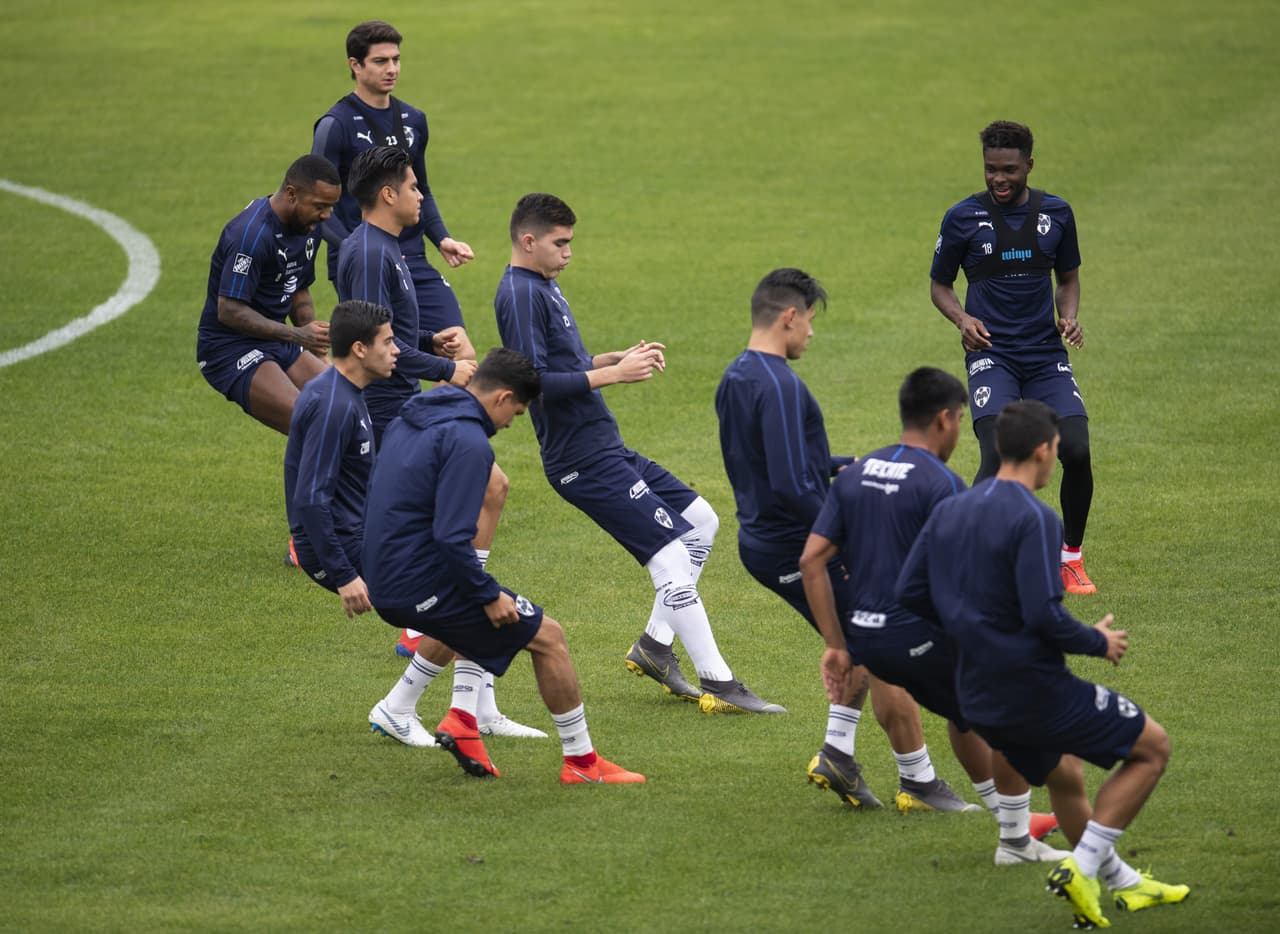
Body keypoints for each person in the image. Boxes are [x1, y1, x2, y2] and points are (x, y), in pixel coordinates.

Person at [897, 400, 1189, 927]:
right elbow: (1044, 617)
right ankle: (1081, 867)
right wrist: (1099, 641)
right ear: (1042, 451)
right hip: (1032, 689)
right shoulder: (1036, 517)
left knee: (1066, 773)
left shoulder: (952, 508)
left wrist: (970, 631)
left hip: (974, 693)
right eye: (1056, 448)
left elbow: (910, 593)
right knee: (1152, 748)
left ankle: (1123, 883)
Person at [494, 192, 781, 714]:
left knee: (701, 523)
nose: (569, 253)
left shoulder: (542, 285)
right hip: (580, 460)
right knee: (670, 555)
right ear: (528, 241)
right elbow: (530, 382)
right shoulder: (519, 293)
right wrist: (615, 376)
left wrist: (611, 358)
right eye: (560, 243)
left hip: (605, 446)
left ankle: (654, 647)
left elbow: (563, 364)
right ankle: (719, 682)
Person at [716, 270, 983, 811]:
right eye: (810, 321)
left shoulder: (736, 376)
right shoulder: (781, 384)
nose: (811, 333)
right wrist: (848, 533)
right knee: (886, 650)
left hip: (761, 536)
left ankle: (838, 752)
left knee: (859, 640)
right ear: (790, 316)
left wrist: (842, 466)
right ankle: (919, 781)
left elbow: (769, 463)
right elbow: (792, 484)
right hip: (794, 542)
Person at [799, 368, 1065, 863]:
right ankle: (1015, 838)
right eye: (961, 418)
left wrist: (837, 645)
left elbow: (811, 559)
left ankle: (1006, 821)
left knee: (964, 712)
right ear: (944, 419)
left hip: (867, 641)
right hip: (915, 636)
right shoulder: (941, 483)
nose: (960, 428)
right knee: (1002, 705)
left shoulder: (857, 472)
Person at [362, 348, 645, 784]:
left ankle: (462, 721)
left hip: (382, 571)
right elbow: (452, 537)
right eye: (517, 411)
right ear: (502, 397)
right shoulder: (468, 443)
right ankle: (582, 764)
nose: (512, 422)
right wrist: (487, 594)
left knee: (476, 620)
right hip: (416, 582)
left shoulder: (417, 413)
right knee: (549, 637)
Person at [338, 147, 540, 739]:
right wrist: (447, 369)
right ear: (388, 195)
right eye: (413, 187)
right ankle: (448, 694)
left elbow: (389, 334)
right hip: (390, 410)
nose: (422, 196)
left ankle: (467, 701)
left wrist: (430, 340)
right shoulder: (370, 253)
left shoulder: (388, 248)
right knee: (481, 500)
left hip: (404, 404)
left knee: (492, 489)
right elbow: (372, 348)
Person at [929, 120, 1098, 595]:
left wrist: (1068, 317)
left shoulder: (1056, 214)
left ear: (1029, 165)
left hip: (1045, 355)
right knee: (996, 455)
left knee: (1077, 450)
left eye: (1008, 170)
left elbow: (1068, 279)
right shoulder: (962, 217)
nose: (998, 179)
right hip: (992, 355)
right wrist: (962, 319)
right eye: (990, 169)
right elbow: (940, 285)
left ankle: (1070, 558)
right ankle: (969, 559)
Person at [313, 20, 479, 363]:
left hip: (412, 257)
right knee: (377, 357)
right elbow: (316, 205)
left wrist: (441, 238)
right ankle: (330, 392)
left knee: (459, 350)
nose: (392, 69)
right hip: (366, 261)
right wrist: (354, 249)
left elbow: (422, 188)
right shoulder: (335, 126)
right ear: (355, 65)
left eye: (396, 59)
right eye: (380, 61)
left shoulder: (414, 120)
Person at [197, 154, 341, 434]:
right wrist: (297, 335)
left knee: (346, 409)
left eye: (331, 207)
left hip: (277, 339)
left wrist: (317, 348)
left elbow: (297, 286)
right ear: (292, 194)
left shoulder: (308, 227)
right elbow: (229, 310)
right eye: (320, 206)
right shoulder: (251, 235)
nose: (326, 216)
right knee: (308, 422)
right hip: (229, 348)